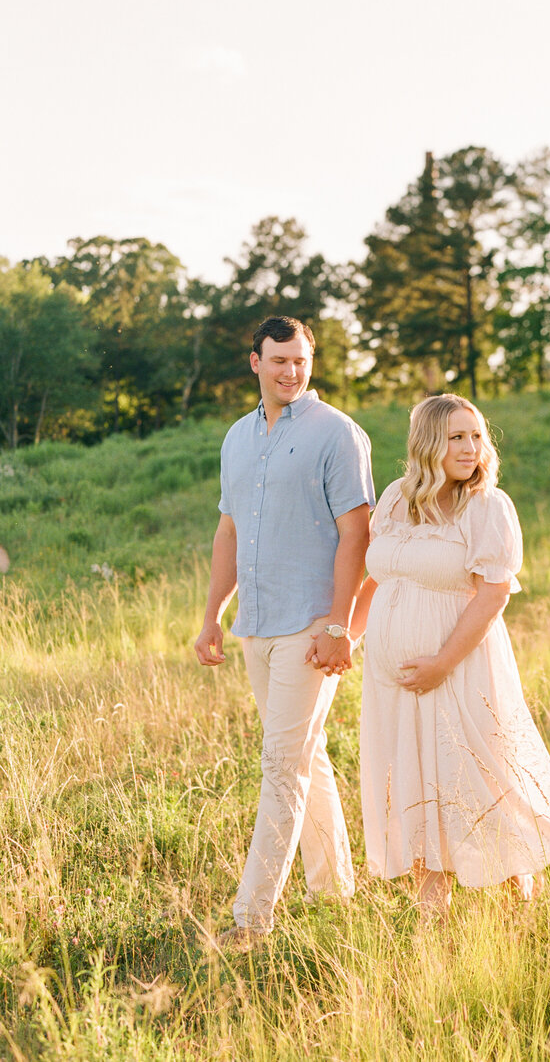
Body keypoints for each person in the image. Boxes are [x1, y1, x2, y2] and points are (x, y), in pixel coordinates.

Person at [351, 394, 550, 920]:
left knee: (480, 779)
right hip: (392, 679)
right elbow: (379, 576)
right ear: (427, 443)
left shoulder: (487, 505)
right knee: (413, 780)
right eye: (456, 437)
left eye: (477, 436)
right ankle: (430, 919)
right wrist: (346, 634)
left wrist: (440, 662)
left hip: (460, 667)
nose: (470, 448)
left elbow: (493, 593)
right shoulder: (396, 498)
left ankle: (520, 917)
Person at [194, 315, 374, 945]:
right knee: (304, 757)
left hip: (310, 625)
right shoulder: (236, 439)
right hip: (257, 625)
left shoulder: (338, 435)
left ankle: (251, 919)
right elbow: (229, 531)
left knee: (279, 765)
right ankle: (336, 893)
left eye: (301, 361)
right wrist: (214, 614)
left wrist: (339, 626)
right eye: (279, 361)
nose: (292, 372)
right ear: (255, 363)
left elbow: (359, 534)